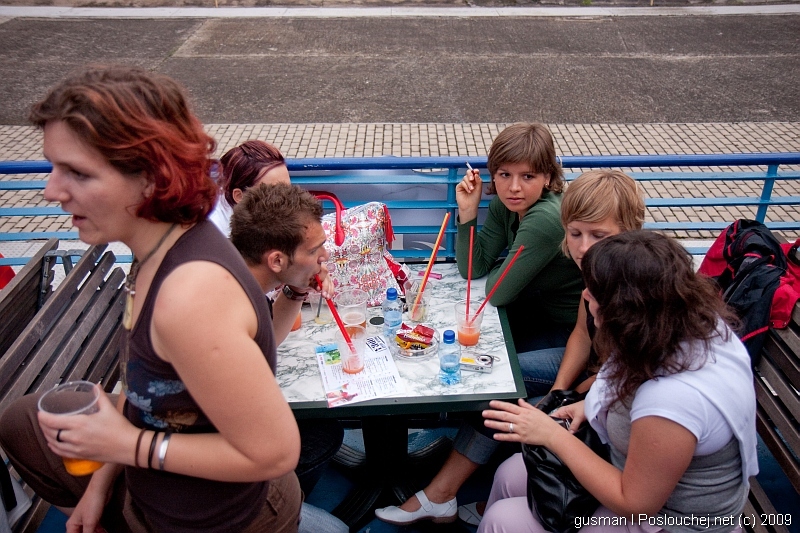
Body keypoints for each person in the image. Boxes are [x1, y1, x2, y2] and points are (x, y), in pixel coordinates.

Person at [0, 66, 302, 532]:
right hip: (165, 495)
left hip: (228, 520)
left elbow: (276, 451)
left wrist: (123, 447)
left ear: (151, 178)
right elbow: (152, 397)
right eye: (53, 167)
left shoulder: (190, 295)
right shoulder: (158, 252)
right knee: (20, 422)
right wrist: (100, 484)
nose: (50, 190)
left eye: (77, 172)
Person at [376, 170, 645, 527]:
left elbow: (631, 375)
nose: (582, 247)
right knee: (495, 381)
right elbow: (582, 333)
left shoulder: (640, 287)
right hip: (591, 369)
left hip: (615, 396)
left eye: (599, 236)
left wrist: (573, 397)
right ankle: (451, 494)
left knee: (499, 398)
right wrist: (557, 392)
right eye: (575, 233)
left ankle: (442, 494)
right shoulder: (599, 271)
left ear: (629, 232)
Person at [479, 231, 758, 533]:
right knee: (509, 475)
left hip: (672, 521)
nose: (585, 295)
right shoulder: (683, 325)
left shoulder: (674, 398)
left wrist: (552, 435)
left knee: (503, 520)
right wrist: (589, 404)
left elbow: (636, 503)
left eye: (595, 293)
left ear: (625, 311)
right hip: (628, 471)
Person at [230, 183, 348, 533]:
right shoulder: (230, 306)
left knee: (323, 431)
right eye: (315, 249)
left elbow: (269, 342)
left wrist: (297, 288)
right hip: (224, 482)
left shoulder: (246, 280)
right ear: (277, 260)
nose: (324, 257)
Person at [455, 122, 583, 354]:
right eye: (505, 174)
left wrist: (500, 268)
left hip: (571, 336)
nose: (514, 187)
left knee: (485, 364)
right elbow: (472, 268)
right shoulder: (505, 206)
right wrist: (467, 212)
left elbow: (496, 293)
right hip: (536, 314)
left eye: (527, 176)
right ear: (493, 175)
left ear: (547, 177)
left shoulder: (545, 219)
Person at [209, 139, 290, 236]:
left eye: (288, 189)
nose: (286, 200)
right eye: (273, 194)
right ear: (239, 196)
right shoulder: (214, 233)